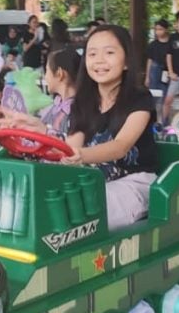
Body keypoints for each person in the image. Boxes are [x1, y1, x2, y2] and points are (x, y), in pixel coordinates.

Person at [63, 24, 157, 230]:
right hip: (93, 181)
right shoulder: (82, 102)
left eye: (109, 53)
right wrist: (40, 136)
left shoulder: (140, 98)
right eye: (92, 54)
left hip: (135, 182)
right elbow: (71, 148)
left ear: (126, 61)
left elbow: (121, 146)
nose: (99, 60)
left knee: (86, 210)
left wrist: (81, 155)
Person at [0, 44, 81, 140]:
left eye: (47, 71)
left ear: (60, 74)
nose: (45, 77)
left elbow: (72, 145)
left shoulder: (79, 112)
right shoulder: (56, 105)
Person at [144, 18, 172, 96]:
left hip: (167, 71)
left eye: (160, 29)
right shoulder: (153, 44)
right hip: (155, 70)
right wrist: (147, 77)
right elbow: (149, 61)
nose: (158, 32)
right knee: (154, 93)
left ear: (166, 29)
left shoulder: (172, 43)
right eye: (156, 29)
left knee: (166, 93)